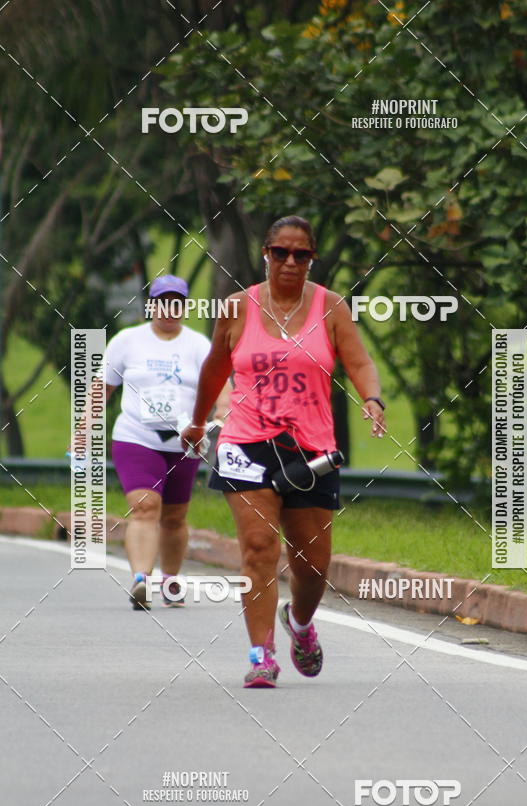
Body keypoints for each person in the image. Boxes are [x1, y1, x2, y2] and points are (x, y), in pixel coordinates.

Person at [182, 216, 385, 687]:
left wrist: (372, 399)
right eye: (280, 253)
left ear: (312, 258)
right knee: (257, 548)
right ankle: (260, 655)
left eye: (301, 255)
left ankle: (299, 621)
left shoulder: (330, 307)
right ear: (266, 254)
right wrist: (197, 422)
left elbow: (359, 362)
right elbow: (215, 368)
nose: (290, 262)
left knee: (312, 568)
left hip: (310, 449)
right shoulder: (237, 308)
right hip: (246, 442)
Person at [99, 274, 229, 609]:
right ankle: (141, 579)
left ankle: (170, 579)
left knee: (174, 516)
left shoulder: (199, 345)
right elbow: (103, 389)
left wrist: (221, 418)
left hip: (184, 443)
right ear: (150, 305)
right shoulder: (127, 341)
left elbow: (222, 389)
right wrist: (83, 431)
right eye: (162, 302)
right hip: (136, 438)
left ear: (184, 307)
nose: (169, 309)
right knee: (145, 507)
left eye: (177, 303)